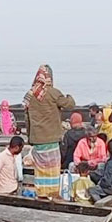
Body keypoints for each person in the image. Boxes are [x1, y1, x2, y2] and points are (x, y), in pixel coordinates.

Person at [24, 64, 75, 198]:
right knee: (52, 168)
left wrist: (29, 137)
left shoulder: (30, 95)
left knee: (40, 169)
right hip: (51, 138)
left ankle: (41, 193)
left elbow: (27, 119)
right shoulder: (53, 93)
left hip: (37, 139)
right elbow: (70, 105)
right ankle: (52, 193)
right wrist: (69, 96)